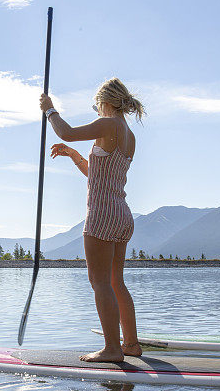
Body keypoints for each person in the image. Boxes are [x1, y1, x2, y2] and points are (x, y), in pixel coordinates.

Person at [39, 78, 144, 361]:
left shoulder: (109, 124)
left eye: (97, 105)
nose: (97, 109)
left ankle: (112, 349)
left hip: (102, 214)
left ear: (106, 102)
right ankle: (131, 345)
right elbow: (100, 175)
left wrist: (50, 110)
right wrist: (74, 156)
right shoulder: (128, 135)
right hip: (122, 214)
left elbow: (67, 131)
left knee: (99, 282)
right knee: (115, 281)